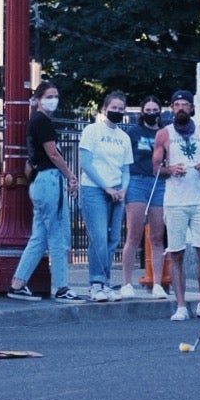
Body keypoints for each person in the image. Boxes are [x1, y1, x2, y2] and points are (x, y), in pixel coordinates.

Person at [8, 80, 79, 302]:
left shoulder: (34, 122)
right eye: (49, 96)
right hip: (49, 181)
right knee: (58, 235)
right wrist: (70, 176)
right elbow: (53, 154)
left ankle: (18, 283)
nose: (53, 100)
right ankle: (61, 287)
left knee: (39, 236)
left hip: (39, 182)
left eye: (55, 95)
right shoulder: (42, 122)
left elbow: (33, 159)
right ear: (38, 99)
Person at [154, 88, 200, 324]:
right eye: (176, 104)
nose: (180, 108)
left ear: (192, 108)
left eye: (185, 104)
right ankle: (181, 305)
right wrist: (170, 170)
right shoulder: (163, 134)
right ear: (171, 108)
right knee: (177, 253)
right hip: (175, 200)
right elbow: (156, 169)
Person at [78, 89, 131, 299]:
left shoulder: (124, 138)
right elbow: (86, 164)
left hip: (117, 190)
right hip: (94, 189)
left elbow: (126, 169)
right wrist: (106, 188)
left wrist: (123, 189)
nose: (117, 112)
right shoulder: (92, 131)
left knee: (113, 239)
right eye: (113, 108)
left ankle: (106, 281)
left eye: (120, 109)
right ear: (104, 109)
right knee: (99, 237)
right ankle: (96, 283)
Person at [119, 95, 167, 298]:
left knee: (157, 235)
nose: (151, 113)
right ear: (141, 112)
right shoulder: (134, 132)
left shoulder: (165, 133)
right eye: (147, 110)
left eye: (154, 109)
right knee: (134, 233)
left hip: (158, 182)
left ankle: (157, 283)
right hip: (137, 181)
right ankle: (126, 283)